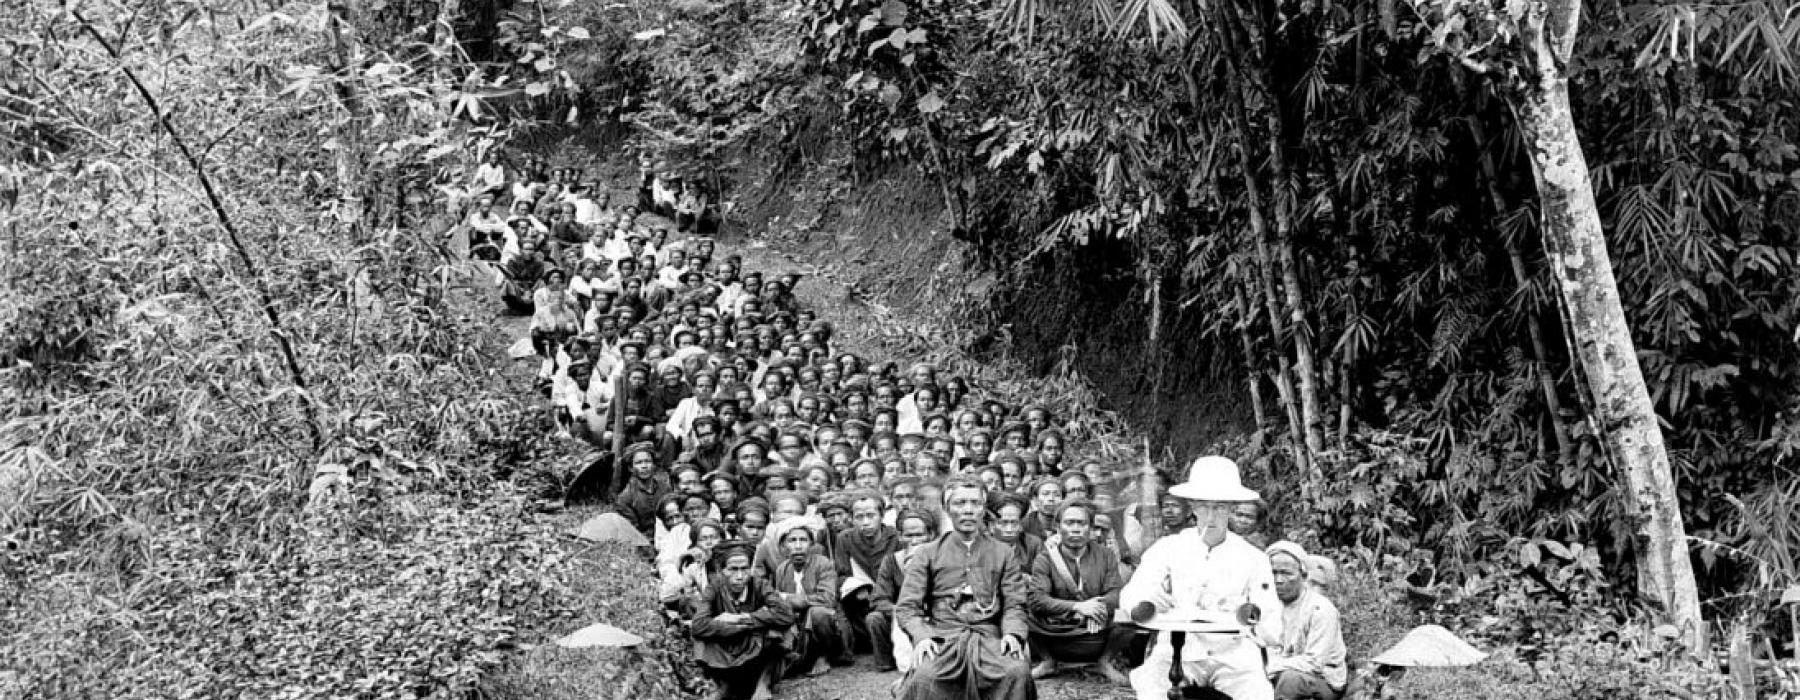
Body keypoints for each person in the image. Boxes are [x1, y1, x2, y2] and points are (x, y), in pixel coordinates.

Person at [1122, 456, 1283, 700]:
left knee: (1256, 693)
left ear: (1231, 508)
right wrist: (1148, 602)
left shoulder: (1253, 558)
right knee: (1153, 686)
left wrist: (1251, 616)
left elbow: (1271, 625)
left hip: (1232, 653)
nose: (1211, 516)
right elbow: (1134, 594)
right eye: (1204, 507)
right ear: (1193, 507)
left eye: (1219, 507)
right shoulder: (1169, 548)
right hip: (1179, 650)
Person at [893, 476, 1036, 700]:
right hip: (943, 637)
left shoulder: (1003, 552)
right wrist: (922, 637)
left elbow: (1015, 603)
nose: (968, 510)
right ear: (947, 508)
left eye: (975, 503)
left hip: (990, 637)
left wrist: (1012, 634)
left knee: (1016, 672)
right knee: (926, 676)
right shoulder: (927, 552)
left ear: (983, 509)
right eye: (960, 503)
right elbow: (908, 607)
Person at [1025, 499, 1128, 684]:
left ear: (1090, 528)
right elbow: (1038, 599)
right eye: (1069, 523)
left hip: (1096, 625)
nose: (1075, 529)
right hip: (1057, 627)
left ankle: (1104, 661)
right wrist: (1078, 607)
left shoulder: (1106, 555)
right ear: (1058, 527)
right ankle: (1048, 660)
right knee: (1023, 612)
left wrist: (1096, 608)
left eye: (1081, 523)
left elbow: (1115, 592)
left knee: (1129, 616)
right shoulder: (1045, 558)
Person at [691, 541, 795, 700]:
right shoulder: (714, 588)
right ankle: (723, 685)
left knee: (780, 632)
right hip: (728, 651)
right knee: (701, 639)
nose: (740, 576)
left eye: (745, 569)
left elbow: (785, 614)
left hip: (758, 652)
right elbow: (698, 625)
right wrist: (727, 625)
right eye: (733, 569)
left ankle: (764, 684)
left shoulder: (760, 584)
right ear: (722, 570)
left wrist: (743, 618)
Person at [1265, 541, 1347, 700]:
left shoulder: (1321, 609)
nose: (1279, 580)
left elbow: (1314, 662)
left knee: (1290, 681)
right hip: (1277, 669)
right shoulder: (1268, 604)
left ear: (1303, 576)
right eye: (1273, 573)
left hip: (1322, 678)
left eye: (1286, 573)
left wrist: (1271, 666)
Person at [767, 516, 843, 678]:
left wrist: (792, 599)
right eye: (792, 541)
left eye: (803, 540)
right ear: (784, 546)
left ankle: (824, 656)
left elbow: (828, 599)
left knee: (818, 613)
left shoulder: (822, 563)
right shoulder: (782, 569)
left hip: (828, 628)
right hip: (798, 626)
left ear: (811, 544)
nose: (798, 546)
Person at [868, 508, 938, 672]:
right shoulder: (892, 561)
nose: (914, 541)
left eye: (919, 535)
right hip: (900, 616)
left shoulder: (941, 559)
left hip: (933, 615)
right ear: (900, 536)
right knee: (874, 619)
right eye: (908, 536)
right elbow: (879, 599)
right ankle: (886, 662)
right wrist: (902, 611)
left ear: (930, 536)